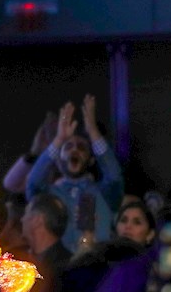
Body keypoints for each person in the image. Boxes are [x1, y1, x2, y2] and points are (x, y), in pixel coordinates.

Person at [24, 95, 123, 252]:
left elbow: (114, 177)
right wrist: (59, 139)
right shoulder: (48, 195)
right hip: (56, 270)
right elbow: (33, 183)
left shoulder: (104, 193)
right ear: (58, 159)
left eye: (82, 147)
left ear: (91, 160)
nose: (75, 150)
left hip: (98, 268)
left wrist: (92, 130)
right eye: (68, 147)